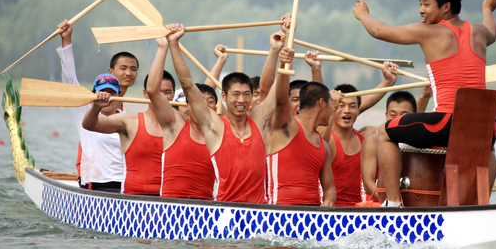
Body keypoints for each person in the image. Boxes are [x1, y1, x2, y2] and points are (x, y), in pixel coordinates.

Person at [353, 0, 496, 207]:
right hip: (485, 127)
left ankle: (393, 204)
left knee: (384, 133)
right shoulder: (480, 32)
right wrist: (487, 8)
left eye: (426, 4)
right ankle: (481, 205)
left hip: (446, 123)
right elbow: (493, 30)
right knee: (487, 149)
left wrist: (363, 14)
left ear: (446, 7)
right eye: (420, 4)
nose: (421, 10)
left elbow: (378, 31)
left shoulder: (429, 31)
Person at [165, 23, 268, 204]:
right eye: (236, 94)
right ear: (224, 96)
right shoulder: (216, 125)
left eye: (246, 94)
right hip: (225, 209)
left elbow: (273, 93)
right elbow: (188, 85)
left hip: (259, 212)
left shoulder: (258, 122)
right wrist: (173, 44)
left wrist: (276, 50)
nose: (241, 100)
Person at [56, 20, 138, 189]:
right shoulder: (85, 110)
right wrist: (66, 39)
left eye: (111, 92)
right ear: (94, 94)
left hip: (123, 184)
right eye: (102, 92)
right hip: (94, 183)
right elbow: (70, 78)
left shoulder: (127, 116)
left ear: (118, 95)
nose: (106, 96)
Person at [82, 67, 177, 196]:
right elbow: (89, 125)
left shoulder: (181, 125)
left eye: (167, 92)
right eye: (157, 92)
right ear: (146, 93)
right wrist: (96, 107)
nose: (162, 97)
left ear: (173, 95)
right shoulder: (129, 121)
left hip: (168, 197)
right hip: (132, 198)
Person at [146, 38, 219, 200]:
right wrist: (165, 47)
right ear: (187, 106)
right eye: (199, 102)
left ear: (216, 108)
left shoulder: (220, 132)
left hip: (205, 207)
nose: (204, 106)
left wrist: (221, 60)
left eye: (210, 102)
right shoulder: (176, 125)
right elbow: (152, 90)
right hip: (171, 205)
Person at [266, 47, 337, 206]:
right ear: (321, 104)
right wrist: (284, 65)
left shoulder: (324, 146)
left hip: (311, 213)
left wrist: (329, 200)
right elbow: (281, 100)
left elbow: (330, 188)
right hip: (279, 212)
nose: (333, 109)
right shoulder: (287, 127)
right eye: (331, 103)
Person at [322, 63, 399, 206]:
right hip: (334, 209)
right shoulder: (327, 139)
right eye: (341, 106)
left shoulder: (366, 135)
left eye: (352, 107)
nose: (347, 110)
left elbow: (400, 127)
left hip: (362, 208)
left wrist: (389, 81)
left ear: (358, 110)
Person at [359, 89, 430, 199]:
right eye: (393, 115)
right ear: (386, 115)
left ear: (414, 116)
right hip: (380, 200)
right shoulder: (372, 142)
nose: (397, 121)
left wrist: (425, 96)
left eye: (404, 116)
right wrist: (389, 203)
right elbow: (368, 183)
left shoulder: (421, 139)